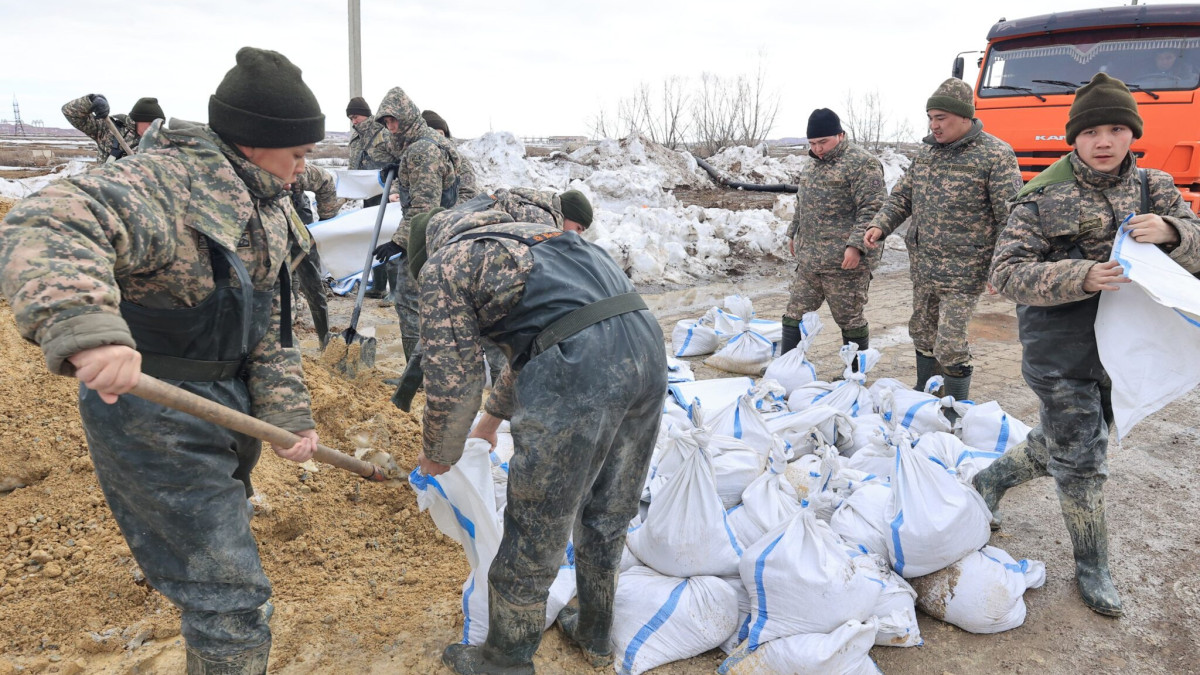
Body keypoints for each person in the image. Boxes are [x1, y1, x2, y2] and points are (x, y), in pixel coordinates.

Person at [1, 47, 323, 672]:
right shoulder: (167, 185)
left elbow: (266, 328)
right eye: (300, 153)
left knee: (211, 564)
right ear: (258, 142)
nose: (305, 169)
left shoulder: (268, 204)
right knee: (232, 601)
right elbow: (48, 221)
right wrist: (88, 328)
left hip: (228, 412)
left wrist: (291, 417)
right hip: (154, 411)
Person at [975, 73, 1200, 617]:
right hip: (1061, 346)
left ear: (1132, 134)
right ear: (1074, 137)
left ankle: (991, 478)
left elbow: (1196, 249)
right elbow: (1005, 273)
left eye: (1117, 129)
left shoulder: (1157, 187)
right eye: (1093, 130)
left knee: (1072, 438)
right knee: (1083, 457)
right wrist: (1081, 275)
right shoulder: (1040, 195)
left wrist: (1173, 232)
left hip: (1130, 346)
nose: (1105, 141)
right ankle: (1092, 566)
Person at [407, 202, 665, 675]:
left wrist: (439, 451)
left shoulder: (446, 265)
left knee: (536, 526)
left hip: (580, 371)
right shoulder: (540, 238)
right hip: (646, 350)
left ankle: (504, 660)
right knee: (609, 508)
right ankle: (593, 627)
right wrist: (489, 423)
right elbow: (546, 336)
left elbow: (453, 379)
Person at [864, 78, 1021, 410]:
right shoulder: (926, 154)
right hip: (924, 266)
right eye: (930, 118)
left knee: (949, 344)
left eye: (941, 118)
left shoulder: (995, 155)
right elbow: (901, 198)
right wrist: (880, 225)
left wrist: (1002, 266)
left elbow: (1010, 218)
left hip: (965, 271)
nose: (934, 125)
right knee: (921, 333)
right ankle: (927, 394)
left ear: (964, 117)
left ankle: (954, 409)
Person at [368, 87, 468, 360]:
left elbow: (425, 206)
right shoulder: (415, 142)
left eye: (394, 120)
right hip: (442, 230)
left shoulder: (422, 150)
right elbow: (377, 148)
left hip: (430, 233)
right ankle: (433, 367)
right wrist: (396, 163)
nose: (391, 127)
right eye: (386, 122)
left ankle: (420, 374)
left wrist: (399, 241)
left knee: (410, 301)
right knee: (434, 303)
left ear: (407, 115)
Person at [783, 108, 887, 357]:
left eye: (823, 142)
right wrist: (793, 231)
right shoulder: (812, 165)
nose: (817, 149)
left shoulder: (862, 164)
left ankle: (854, 375)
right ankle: (785, 367)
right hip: (811, 260)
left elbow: (873, 208)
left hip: (845, 262)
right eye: (812, 143)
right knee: (793, 313)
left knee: (849, 318)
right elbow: (802, 202)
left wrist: (856, 246)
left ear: (840, 135)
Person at [286, 163, 343, 346]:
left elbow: (325, 180)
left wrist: (327, 218)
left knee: (310, 275)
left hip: (297, 213)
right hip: (261, 216)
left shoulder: (294, 169)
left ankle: (324, 337)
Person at [346, 96, 393, 299]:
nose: (353, 121)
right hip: (367, 195)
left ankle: (395, 289)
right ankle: (379, 285)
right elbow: (354, 166)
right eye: (350, 118)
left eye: (355, 116)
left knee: (388, 237)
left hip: (387, 193)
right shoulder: (356, 139)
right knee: (372, 239)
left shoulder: (383, 133)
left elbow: (396, 159)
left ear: (366, 114)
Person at [62, 94, 165, 163]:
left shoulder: (164, 144)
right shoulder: (108, 130)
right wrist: (91, 100)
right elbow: (70, 112)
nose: (156, 128)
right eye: (151, 124)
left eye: (160, 124)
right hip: (106, 192)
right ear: (137, 120)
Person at [1135, 49, 1199, 88]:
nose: (1164, 62)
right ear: (1155, 59)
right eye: (1160, 58)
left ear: (1176, 58)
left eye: (1168, 58)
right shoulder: (1145, 71)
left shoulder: (1186, 71)